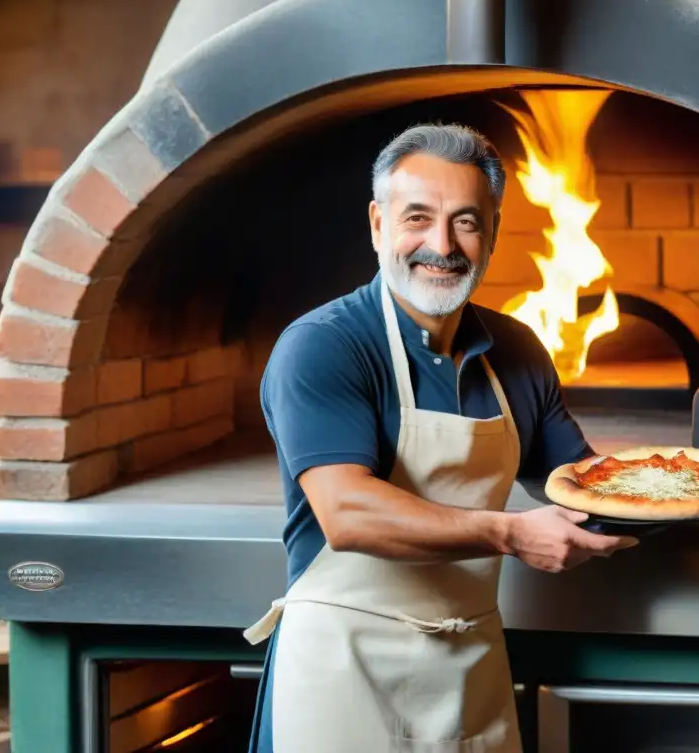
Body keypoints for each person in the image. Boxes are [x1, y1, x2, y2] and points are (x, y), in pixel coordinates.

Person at [246, 122, 639, 752]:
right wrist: (511, 532)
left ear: (492, 233)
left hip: (468, 672)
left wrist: (673, 495)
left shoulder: (516, 351)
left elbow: (584, 488)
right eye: (417, 218)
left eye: (465, 221)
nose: (442, 245)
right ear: (378, 224)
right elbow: (346, 513)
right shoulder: (324, 345)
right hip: (343, 674)